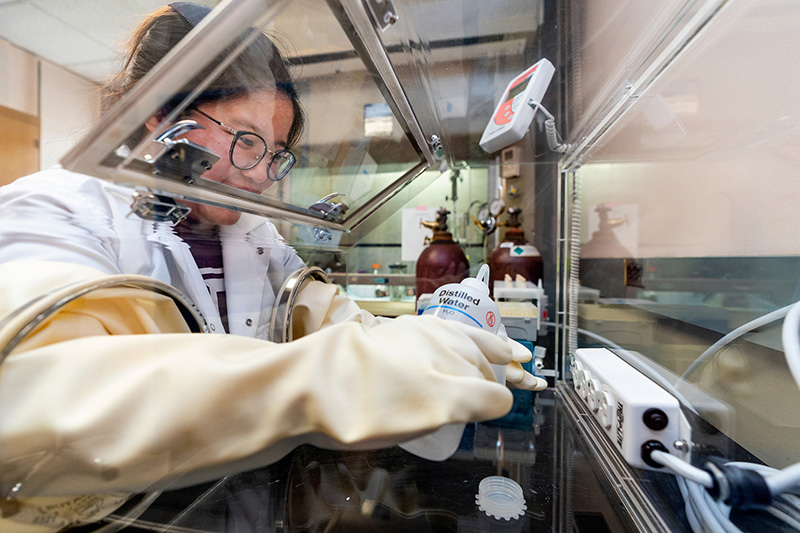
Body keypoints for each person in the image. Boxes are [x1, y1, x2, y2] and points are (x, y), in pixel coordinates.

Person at [0, 3, 546, 531]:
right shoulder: (54, 210)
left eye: (276, 151)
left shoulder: (253, 236)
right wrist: (319, 382)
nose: (261, 174)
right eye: (244, 140)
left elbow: (347, 331)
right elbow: (34, 403)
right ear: (160, 116)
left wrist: (450, 341)